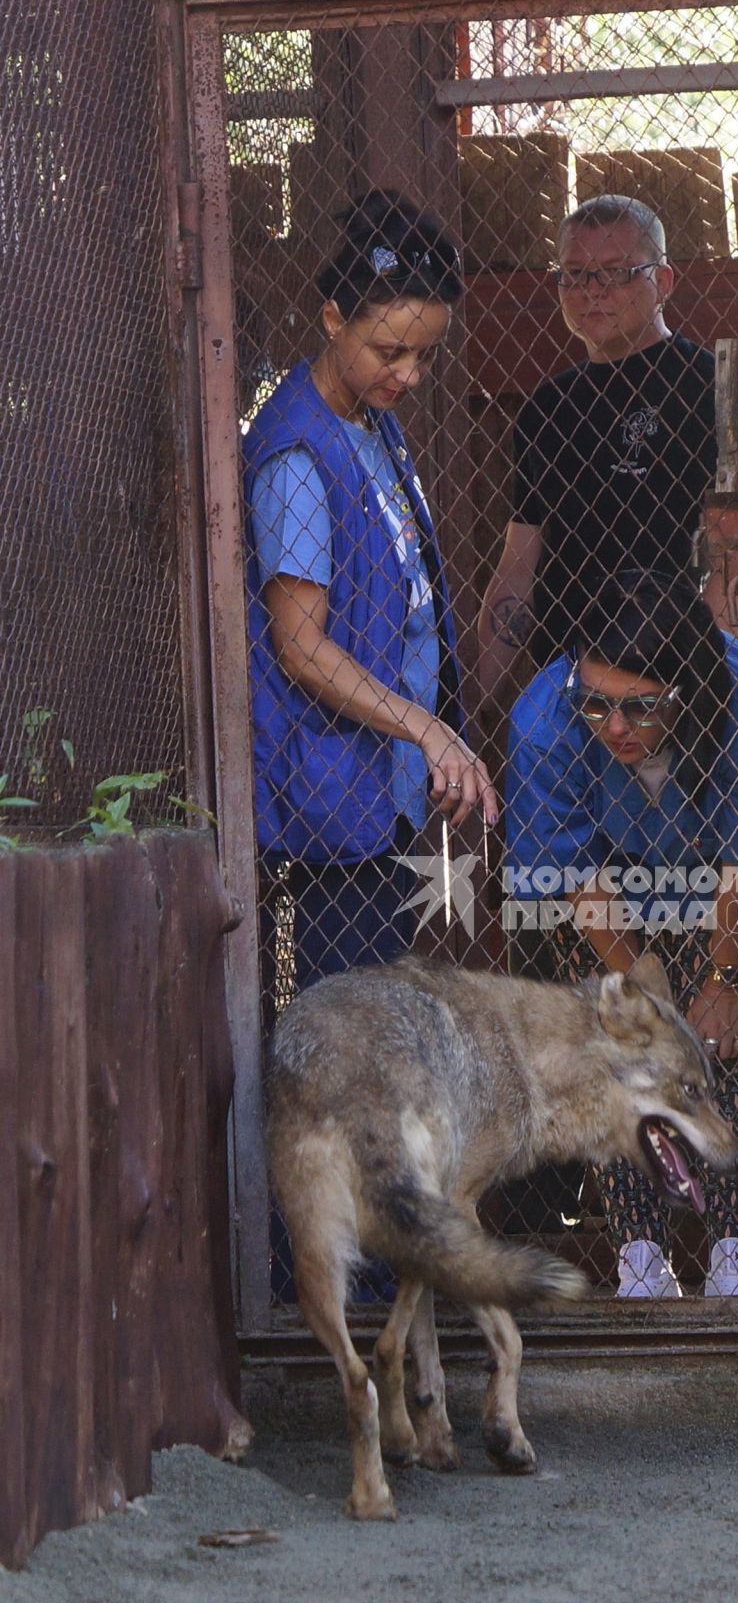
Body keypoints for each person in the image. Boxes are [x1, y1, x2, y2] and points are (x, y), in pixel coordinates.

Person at [244, 190, 498, 1004]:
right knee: (353, 1025)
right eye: (390, 349)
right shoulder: (296, 457)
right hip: (334, 807)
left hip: (375, 788)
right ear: (331, 318)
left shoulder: (364, 414)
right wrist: (427, 729)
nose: (410, 374)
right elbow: (300, 645)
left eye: (425, 354)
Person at [505, 570, 738, 1299]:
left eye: (639, 708)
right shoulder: (545, 718)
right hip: (608, 888)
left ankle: (733, 1250)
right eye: (596, 705)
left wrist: (725, 982)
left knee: (727, 1041)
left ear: (686, 691)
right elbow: (571, 872)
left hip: (711, 881)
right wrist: (638, 988)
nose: (614, 728)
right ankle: (639, 1257)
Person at [476, 194, 738, 702]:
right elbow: (517, 569)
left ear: (663, 282)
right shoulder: (547, 410)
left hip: (678, 682)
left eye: (614, 272)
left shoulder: (716, 396)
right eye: (574, 273)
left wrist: (703, 684)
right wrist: (466, 705)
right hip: (571, 686)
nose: (592, 291)